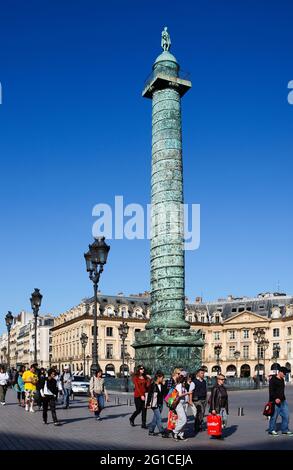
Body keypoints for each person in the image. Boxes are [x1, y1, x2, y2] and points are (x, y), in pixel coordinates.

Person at [268, 366, 293, 436]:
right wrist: (276, 398)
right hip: (274, 401)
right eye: (284, 373)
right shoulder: (272, 379)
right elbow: (271, 391)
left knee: (286, 416)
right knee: (274, 417)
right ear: (280, 372)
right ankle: (271, 430)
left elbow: (281, 391)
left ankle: (284, 430)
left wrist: (282, 398)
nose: (285, 375)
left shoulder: (282, 379)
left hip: (283, 401)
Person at [146, 370, 169, 438]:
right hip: (154, 404)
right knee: (159, 418)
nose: (163, 379)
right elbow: (149, 394)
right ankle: (162, 432)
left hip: (160, 404)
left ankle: (151, 431)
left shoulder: (162, 385)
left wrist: (168, 401)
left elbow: (165, 394)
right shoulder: (153, 385)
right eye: (162, 377)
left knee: (155, 418)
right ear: (158, 377)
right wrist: (147, 404)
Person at [172, 371, 189, 441]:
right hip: (178, 404)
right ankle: (175, 432)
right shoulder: (179, 385)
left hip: (183, 403)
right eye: (187, 377)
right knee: (184, 420)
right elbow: (179, 395)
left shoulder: (183, 385)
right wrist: (188, 393)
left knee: (180, 420)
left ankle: (180, 435)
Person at [192, 368, 208, 432]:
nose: (203, 374)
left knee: (202, 413)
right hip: (197, 399)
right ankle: (197, 426)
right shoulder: (194, 382)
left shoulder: (204, 381)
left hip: (203, 399)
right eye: (201, 373)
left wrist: (206, 398)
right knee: (200, 411)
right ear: (198, 374)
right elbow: (191, 391)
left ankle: (199, 425)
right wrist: (190, 400)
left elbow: (205, 390)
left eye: (203, 373)